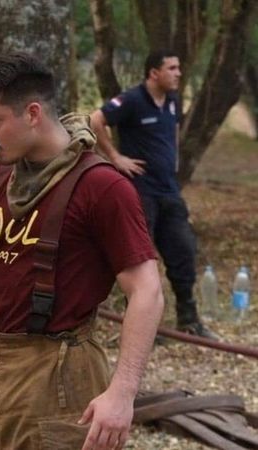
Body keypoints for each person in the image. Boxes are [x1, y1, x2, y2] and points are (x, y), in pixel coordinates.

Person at [0, 53, 164, 450]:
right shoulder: (0, 177)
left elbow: (147, 291)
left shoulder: (102, 186)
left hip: (58, 371)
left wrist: (122, 393)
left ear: (32, 113)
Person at [90, 50, 218, 340]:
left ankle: (189, 319)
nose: (178, 73)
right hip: (140, 194)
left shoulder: (172, 101)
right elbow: (95, 120)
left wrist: (171, 163)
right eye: (171, 68)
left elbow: (172, 131)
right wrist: (115, 157)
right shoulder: (132, 100)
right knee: (138, 260)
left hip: (168, 191)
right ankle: (141, 327)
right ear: (153, 73)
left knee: (183, 252)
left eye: (179, 67)